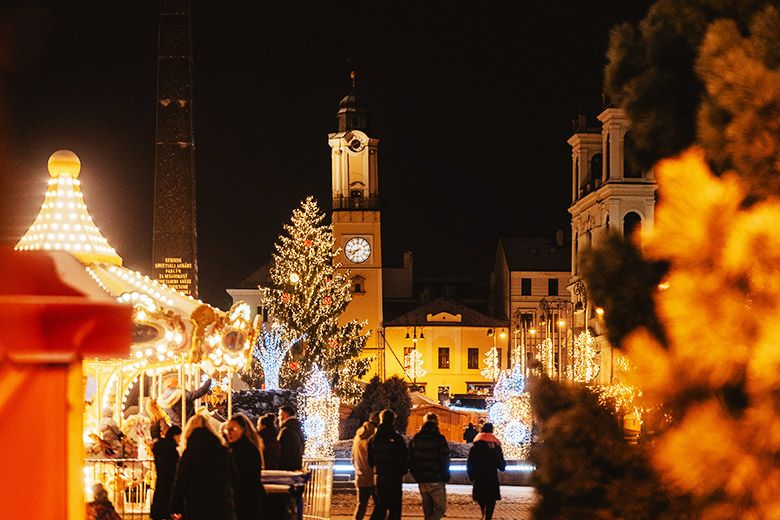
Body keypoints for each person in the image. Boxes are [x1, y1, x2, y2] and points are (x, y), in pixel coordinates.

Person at [169, 413, 238, 520]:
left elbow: (181, 481)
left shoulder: (190, 453)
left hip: (198, 506)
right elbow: (234, 477)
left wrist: (175, 506)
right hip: (222, 505)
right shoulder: (222, 450)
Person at [367, 409, 408, 520]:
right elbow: (404, 457)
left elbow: (370, 459)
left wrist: (377, 468)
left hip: (380, 476)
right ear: (393, 421)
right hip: (394, 478)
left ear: (381, 419)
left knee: (381, 505)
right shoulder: (397, 439)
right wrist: (402, 471)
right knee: (394, 507)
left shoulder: (374, 439)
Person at [409, 413, 450, 520]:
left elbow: (410, 460)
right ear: (437, 423)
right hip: (437, 479)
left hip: (422, 479)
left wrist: (417, 475)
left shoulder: (416, 439)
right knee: (440, 509)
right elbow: (444, 460)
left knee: (428, 511)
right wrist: (445, 476)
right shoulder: (439, 439)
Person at [225, 413, 266, 520]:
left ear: (243, 429)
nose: (229, 433)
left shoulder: (246, 450)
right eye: (227, 429)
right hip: (247, 498)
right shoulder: (234, 448)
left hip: (246, 499)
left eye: (233, 429)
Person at [467, 423, 506, 520]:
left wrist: (471, 475)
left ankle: (483, 513)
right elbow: (500, 462)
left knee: (481, 497)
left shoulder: (475, 447)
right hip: (491, 477)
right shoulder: (495, 446)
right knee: (491, 499)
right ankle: (488, 517)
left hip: (479, 477)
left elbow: (470, 463)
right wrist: (502, 466)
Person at [150, 425, 181, 520]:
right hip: (170, 480)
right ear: (175, 435)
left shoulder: (160, 447)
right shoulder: (173, 449)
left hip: (161, 480)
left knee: (160, 499)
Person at [351, 414, 378, 520]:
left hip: (360, 476)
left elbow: (353, 457)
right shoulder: (374, 437)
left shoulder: (358, 437)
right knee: (380, 506)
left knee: (361, 505)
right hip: (373, 477)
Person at [277, 404, 305, 470]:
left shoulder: (286, 431)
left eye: (280, 414)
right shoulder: (298, 429)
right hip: (296, 466)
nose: (278, 417)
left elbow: (283, 451)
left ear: (285, 414)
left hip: (286, 468)